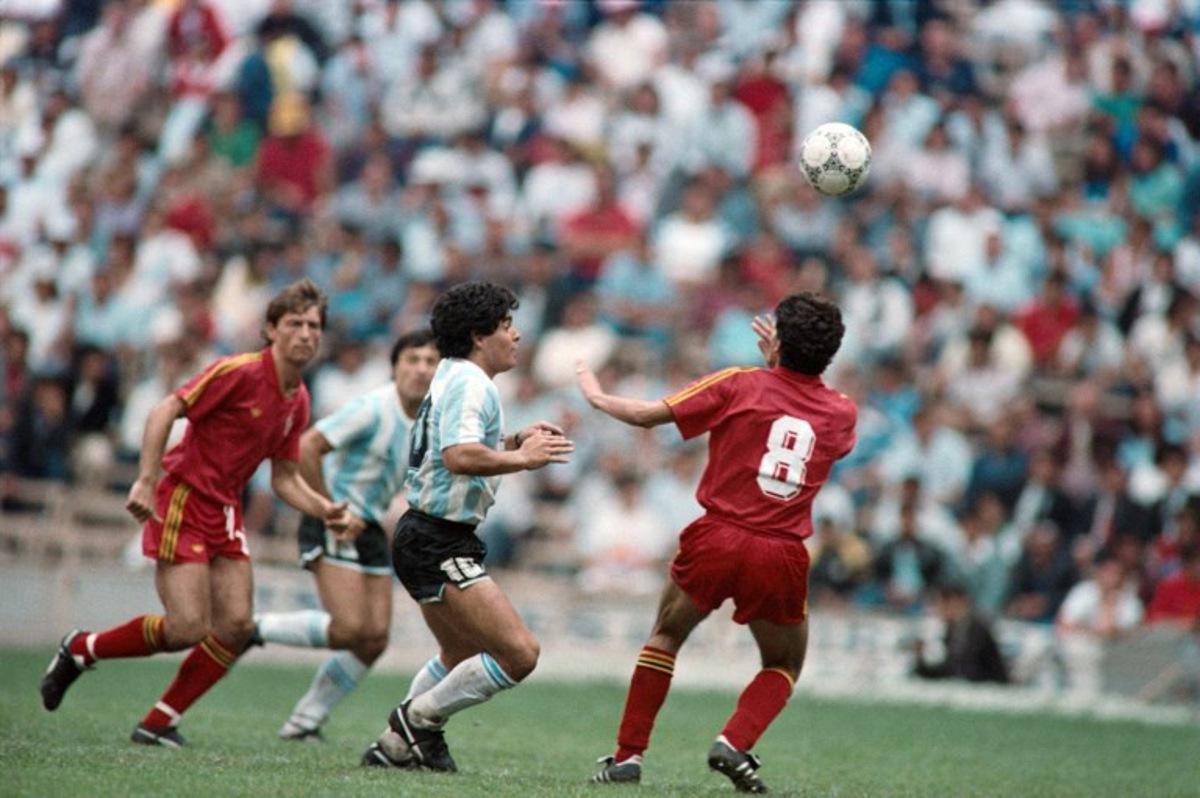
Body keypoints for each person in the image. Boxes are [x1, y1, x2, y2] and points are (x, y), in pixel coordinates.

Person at [39, 278, 350, 747]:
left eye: (313, 325)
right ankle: (81, 648)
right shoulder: (240, 372)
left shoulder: (298, 399)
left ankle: (159, 721)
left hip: (225, 510)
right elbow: (166, 408)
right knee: (187, 628)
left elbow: (285, 477)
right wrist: (145, 478)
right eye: (295, 324)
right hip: (183, 497)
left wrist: (325, 508)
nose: (306, 334)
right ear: (271, 329)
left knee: (238, 625)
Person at [577, 292, 857, 793]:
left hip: (718, 536)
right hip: (781, 549)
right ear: (831, 353)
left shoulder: (739, 383)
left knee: (666, 637)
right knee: (782, 664)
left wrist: (598, 399)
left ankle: (628, 757)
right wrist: (789, 360)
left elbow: (648, 416)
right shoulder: (842, 413)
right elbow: (805, 413)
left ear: (779, 342)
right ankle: (734, 740)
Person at [360, 281, 573, 772]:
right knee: (519, 653)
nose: (517, 336)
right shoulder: (471, 381)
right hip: (437, 537)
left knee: (458, 651)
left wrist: (514, 437)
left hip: (426, 532)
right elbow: (457, 455)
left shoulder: (455, 375)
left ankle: (393, 746)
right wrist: (520, 458)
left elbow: (452, 442)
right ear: (480, 336)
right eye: (507, 326)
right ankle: (417, 722)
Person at [250, 330, 439, 741]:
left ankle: (304, 722)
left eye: (431, 361)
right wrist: (330, 507)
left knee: (373, 640)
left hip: (367, 525)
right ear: (395, 366)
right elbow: (307, 447)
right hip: (334, 517)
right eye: (413, 359)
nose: (422, 368)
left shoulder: (429, 416)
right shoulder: (372, 408)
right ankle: (253, 628)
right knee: (349, 629)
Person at [912, 583, 1010, 684]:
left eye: (941, 603)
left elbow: (964, 671)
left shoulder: (976, 630)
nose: (938, 610)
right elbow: (948, 671)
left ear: (956, 602)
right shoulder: (951, 630)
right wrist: (921, 661)